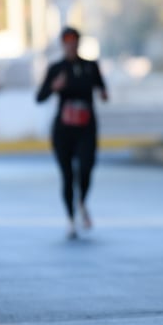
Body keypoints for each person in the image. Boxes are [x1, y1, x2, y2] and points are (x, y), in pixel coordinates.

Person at [36, 27, 108, 239]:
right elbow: (39, 97)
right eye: (66, 41)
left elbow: (103, 90)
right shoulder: (56, 68)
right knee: (67, 175)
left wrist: (103, 93)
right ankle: (70, 218)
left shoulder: (90, 66)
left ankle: (82, 201)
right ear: (62, 44)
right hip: (64, 129)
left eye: (74, 40)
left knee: (86, 168)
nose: (71, 44)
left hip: (86, 127)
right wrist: (54, 87)